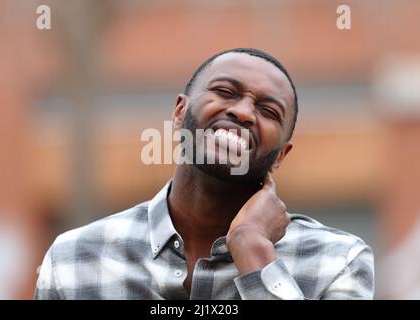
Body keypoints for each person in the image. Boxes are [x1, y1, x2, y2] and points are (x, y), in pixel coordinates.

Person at [34, 48, 374, 300]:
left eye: (268, 111)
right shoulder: (76, 257)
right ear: (180, 112)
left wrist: (254, 250)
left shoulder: (336, 261)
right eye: (225, 92)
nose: (242, 112)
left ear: (280, 155)